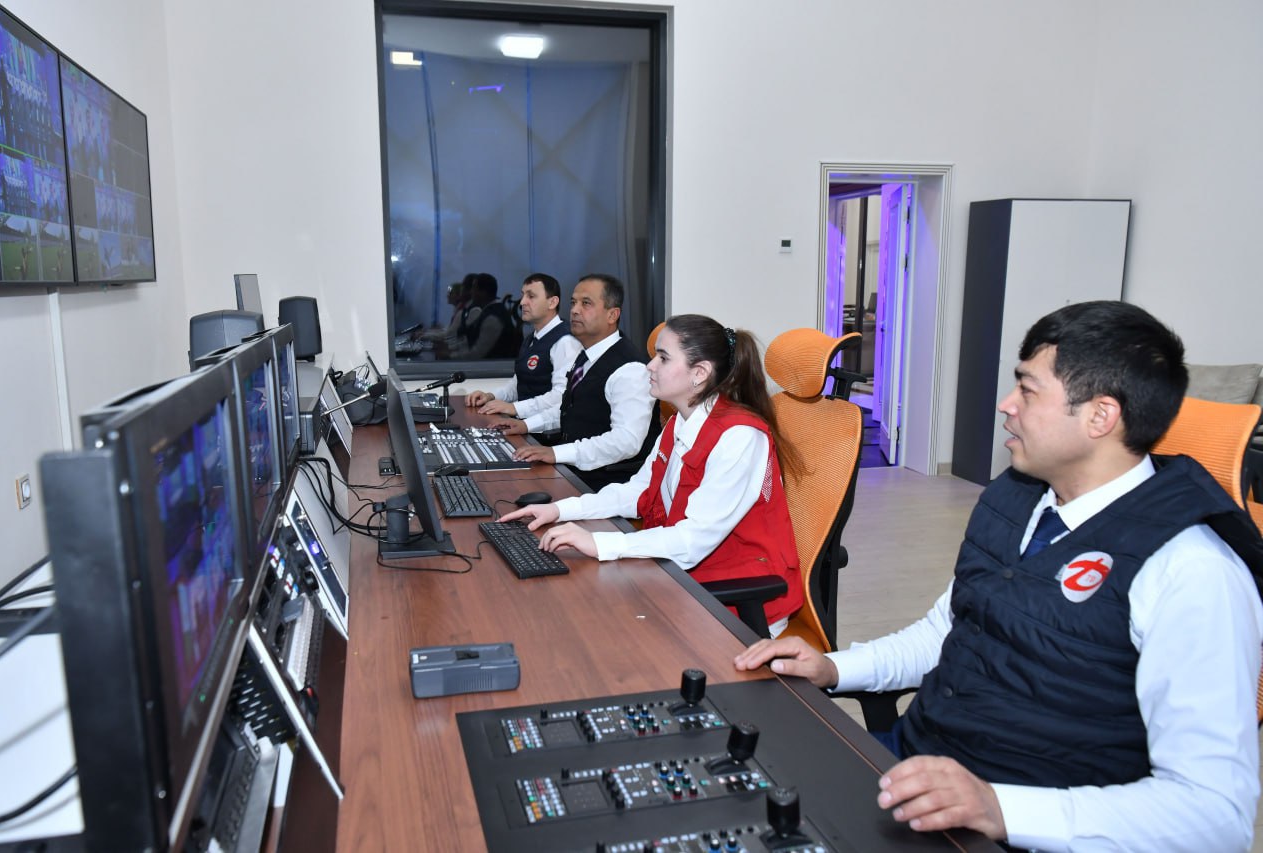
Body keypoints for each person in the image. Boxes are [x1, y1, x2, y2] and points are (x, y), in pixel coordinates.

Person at [734, 300, 1263, 852]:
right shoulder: (1016, 497)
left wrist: (998, 808)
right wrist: (834, 667)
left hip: (1024, 828)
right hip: (918, 770)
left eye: (1028, 391)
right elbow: (948, 632)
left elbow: (1215, 817)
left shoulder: (1193, 572)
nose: (1006, 404)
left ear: (1100, 416)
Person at [500, 314, 804, 631]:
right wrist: (560, 510)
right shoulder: (679, 423)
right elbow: (639, 491)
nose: (650, 366)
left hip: (737, 600)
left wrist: (599, 543)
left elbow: (693, 540)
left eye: (663, 358)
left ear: (699, 373)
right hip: (686, 576)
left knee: (592, 625)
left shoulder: (739, 437)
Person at [499, 274, 659, 491]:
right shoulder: (586, 356)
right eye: (573, 302)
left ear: (612, 314)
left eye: (586, 303)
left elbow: (626, 441)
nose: (574, 310)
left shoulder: (630, 369)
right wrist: (527, 424)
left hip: (606, 486)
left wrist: (557, 453)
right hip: (573, 473)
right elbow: (572, 409)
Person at [464, 273, 583, 422]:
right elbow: (519, 382)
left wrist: (515, 408)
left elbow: (560, 396)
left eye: (531, 296)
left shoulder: (565, 341)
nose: (522, 302)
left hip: (546, 431)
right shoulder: (531, 338)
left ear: (552, 302)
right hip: (524, 424)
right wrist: (490, 396)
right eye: (523, 295)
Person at [452, 272, 519, 359]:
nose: (471, 292)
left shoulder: (492, 319)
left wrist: (449, 356)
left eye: (474, 288)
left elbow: (477, 354)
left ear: (483, 292)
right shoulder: (490, 313)